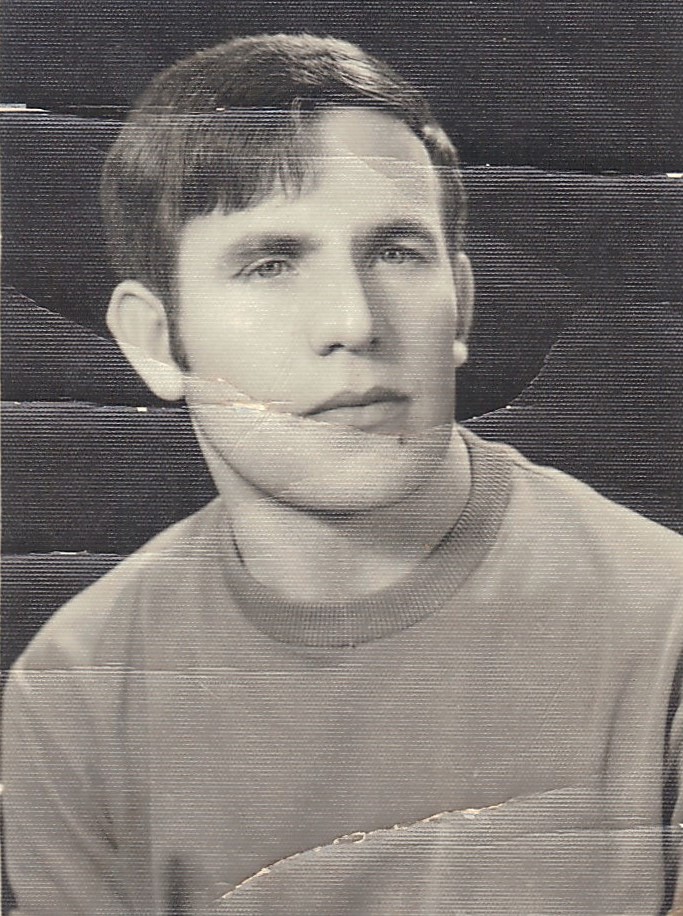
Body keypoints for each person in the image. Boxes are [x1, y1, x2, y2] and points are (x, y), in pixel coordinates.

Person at [3, 33, 683, 916]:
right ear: (155, 341)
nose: (354, 322)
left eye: (395, 251)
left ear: (460, 305)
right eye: (271, 264)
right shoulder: (74, 697)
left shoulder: (665, 627)